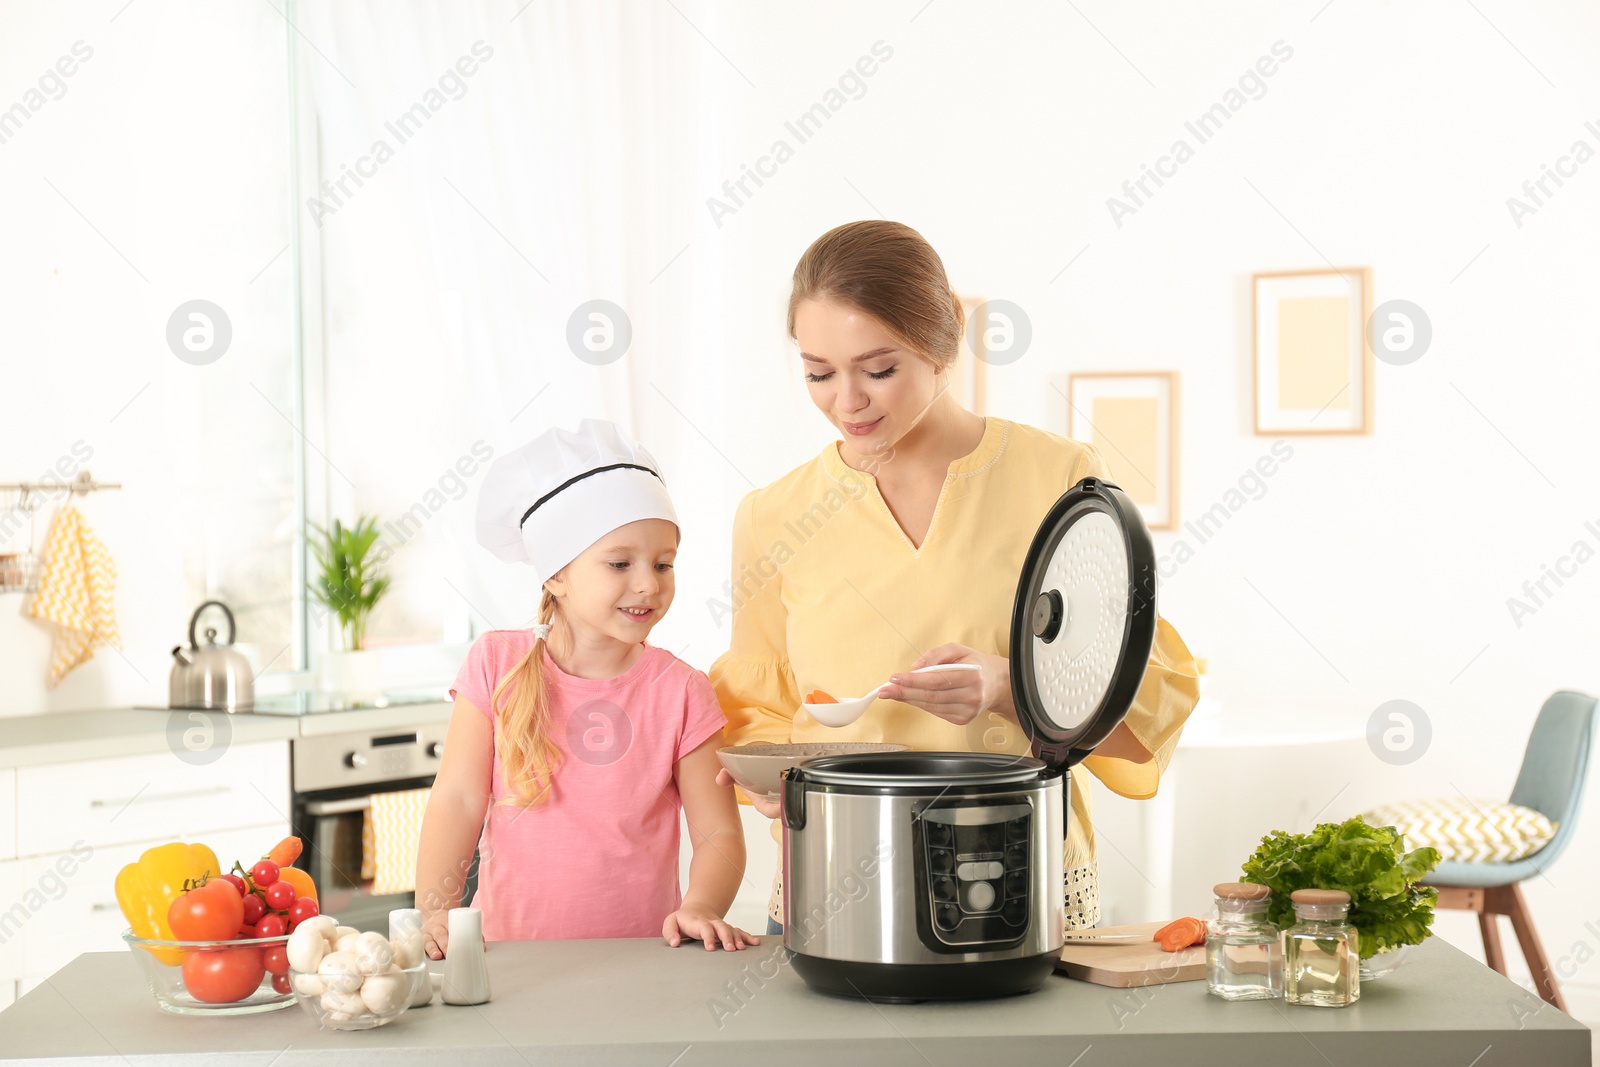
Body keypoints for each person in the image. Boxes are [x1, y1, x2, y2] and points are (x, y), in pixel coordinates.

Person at [710, 220, 1201, 935]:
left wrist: (1011, 689)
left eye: (878, 370)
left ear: (945, 343)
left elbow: (1141, 711)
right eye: (818, 372)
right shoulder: (770, 515)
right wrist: (773, 777)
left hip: (1019, 882)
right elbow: (759, 710)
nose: (846, 402)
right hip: (838, 889)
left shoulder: (1057, 477)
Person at [417, 418, 759, 956]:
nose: (648, 583)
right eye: (620, 563)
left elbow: (718, 832)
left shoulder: (682, 690)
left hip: (641, 963)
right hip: (506, 958)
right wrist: (434, 910)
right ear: (555, 575)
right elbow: (458, 800)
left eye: (663, 563)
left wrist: (701, 905)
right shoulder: (495, 663)